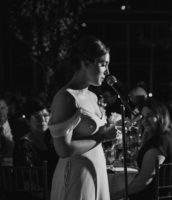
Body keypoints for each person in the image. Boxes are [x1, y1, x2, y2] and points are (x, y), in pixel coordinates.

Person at [48, 36, 119, 200]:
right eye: (103, 64)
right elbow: (63, 149)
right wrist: (102, 136)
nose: (107, 72)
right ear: (84, 63)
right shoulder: (66, 98)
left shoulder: (93, 97)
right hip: (76, 174)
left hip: (96, 168)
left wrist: (109, 131)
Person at [111, 99, 172, 200]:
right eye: (143, 117)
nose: (144, 121)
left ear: (161, 116)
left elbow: (144, 180)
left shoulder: (160, 141)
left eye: (150, 116)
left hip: (158, 196)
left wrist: (116, 195)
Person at [13, 98, 58, 183]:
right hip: (37, 192)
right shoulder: (23, 145)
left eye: (45, 115)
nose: (42, 120)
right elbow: (27, 178)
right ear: (27, 121)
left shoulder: (54, 138)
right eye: (37, 117)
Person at [0, 95, 15, 166]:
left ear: (7, 109)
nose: (0, 112)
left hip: (18, 172)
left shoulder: (19, 126)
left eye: (2, 108)